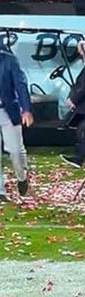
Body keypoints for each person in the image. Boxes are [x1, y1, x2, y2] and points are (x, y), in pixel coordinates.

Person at [0, 44, 31, 202]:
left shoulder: (9, 60)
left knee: (15, 151)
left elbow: (21, 85)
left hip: (7, 111)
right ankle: (0, 191)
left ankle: (21, 177)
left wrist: (26, 109)